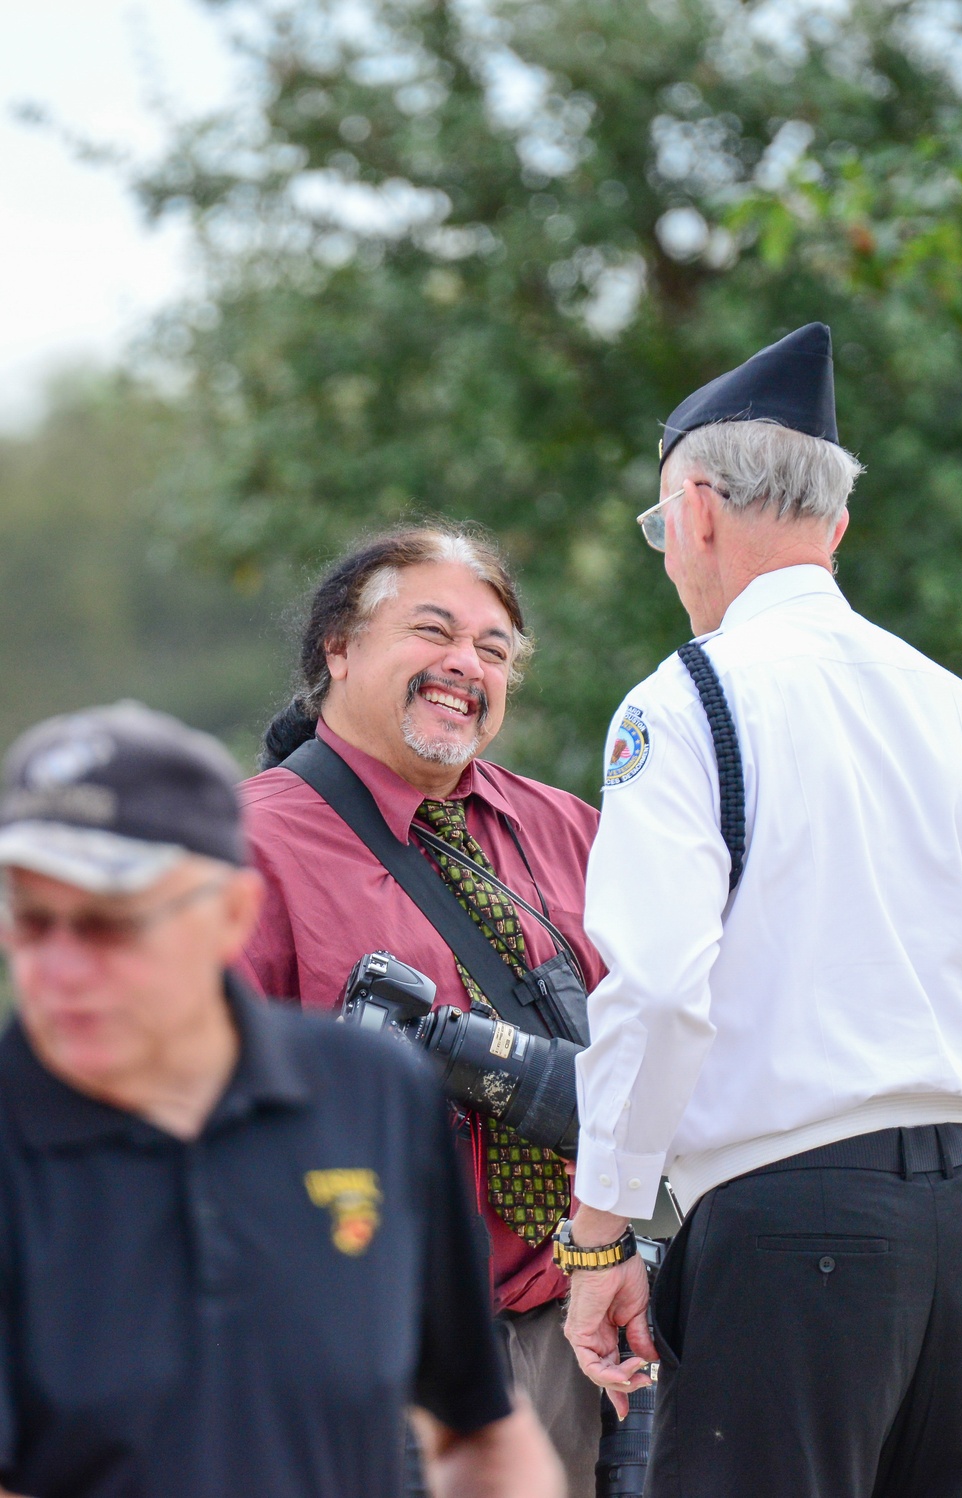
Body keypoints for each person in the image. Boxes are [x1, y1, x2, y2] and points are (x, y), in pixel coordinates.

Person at [562, 323, 962, 1496]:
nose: (667, 555)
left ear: (696, 509)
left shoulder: (688, 694)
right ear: (837, 525)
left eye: (660, 528)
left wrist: (599, 1233)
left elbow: (655, 988)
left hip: (790, 1223)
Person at [0, 700, 562, 1498]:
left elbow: (477, 1431)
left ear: (230, 914)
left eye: (108, 925)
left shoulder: (373, 1096)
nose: (58, 968)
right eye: (30, 920)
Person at [240, 525, 605, 1495]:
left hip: (578, 1347)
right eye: (432, 631)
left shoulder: (572, 829)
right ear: (339, 648)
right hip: (364, 1358)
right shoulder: (242, 847)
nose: (463, 665)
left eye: (492, 648)